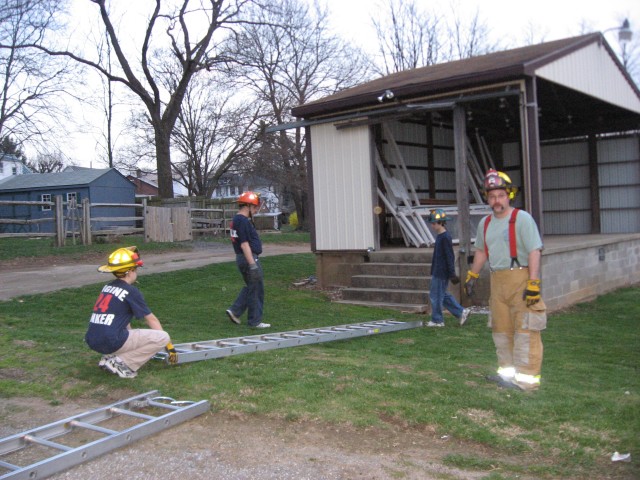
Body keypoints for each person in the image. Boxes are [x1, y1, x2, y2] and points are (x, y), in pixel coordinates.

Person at [465, 170, 545, 392]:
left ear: (509, 195)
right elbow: (481, 251)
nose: (496, 200)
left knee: (526, 330)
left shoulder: (522, 218)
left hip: (521, 278)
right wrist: (473, 275)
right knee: (501, 331)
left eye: (500, 195)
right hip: (497, 280)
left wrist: (533, 283)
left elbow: (534, 251)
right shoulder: (485, 223)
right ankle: (507, 376)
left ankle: (527, 382)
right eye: (491, 197)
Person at [85, 246, 177, 378]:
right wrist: (169, 345)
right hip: (111, 341)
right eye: (136, 269)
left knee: (126, 334)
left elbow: (122, 320)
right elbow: (151, 319)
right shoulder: (131, 291)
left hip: (93, 340)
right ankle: (123, 363)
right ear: (130, 272)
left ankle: (109, 357)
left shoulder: (107, 287)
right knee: (162, 337)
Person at [226, 191, 270, 328]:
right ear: (248, 206)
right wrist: (252, 264)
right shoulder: (243, 221)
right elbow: (244, 244)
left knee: (252, 287)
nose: (256, 210)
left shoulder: (237, 220)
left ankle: (235, 311)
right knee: (257, 289)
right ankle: (254, 321)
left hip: (243, 258)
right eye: (255, 207)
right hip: (248, 259)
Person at [426, 209, 471, 327]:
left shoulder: (445, 237)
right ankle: (461, 312)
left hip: (442, 272)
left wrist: (452, 273)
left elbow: (449, 256)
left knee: (435, 296)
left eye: (434, 223)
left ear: (441, 222)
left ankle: (437, 320)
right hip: (437, 270)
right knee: (442, 295)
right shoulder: (440, 236)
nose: (432, 225)